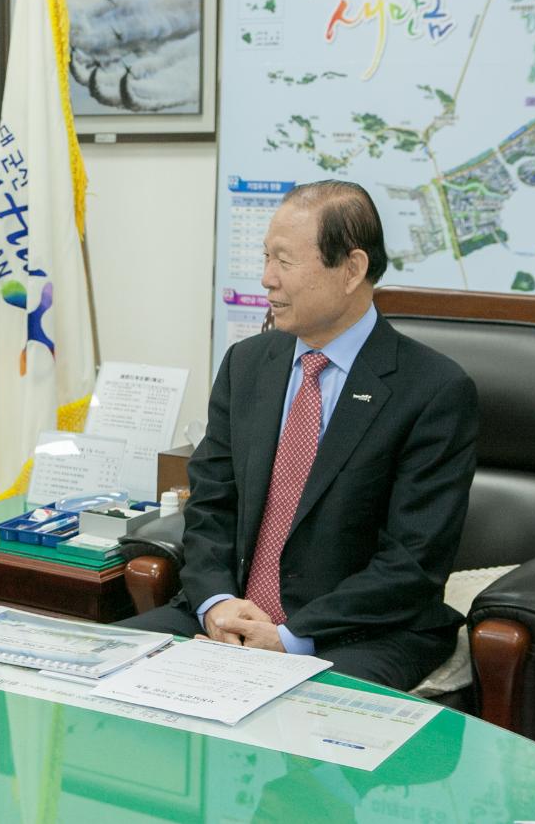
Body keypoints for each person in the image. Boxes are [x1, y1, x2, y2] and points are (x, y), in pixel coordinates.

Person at [125, 180, 478, 690]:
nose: (266, 279)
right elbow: (210, 506)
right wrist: (217, 604)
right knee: (94, 675)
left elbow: (411, 564)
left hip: (361, 636)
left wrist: (289, 638)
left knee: (294, 728)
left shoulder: (434, 390)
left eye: (285, 262)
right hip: (227, 622)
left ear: (352, 269)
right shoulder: (247, 365)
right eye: (266, 257)